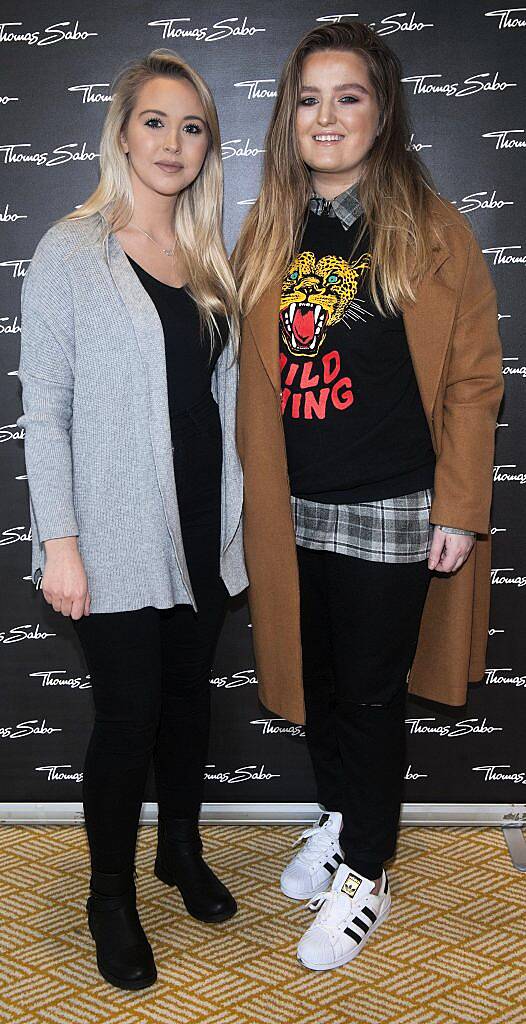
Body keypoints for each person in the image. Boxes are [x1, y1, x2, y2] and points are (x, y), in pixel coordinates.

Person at [234, 22, 503, 972]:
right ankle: (343, 816)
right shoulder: (269, 226)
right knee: (324, 687)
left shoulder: (433, 229)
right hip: (290, 503)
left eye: (348, 97)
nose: (327, 117)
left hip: (391, 502)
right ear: (288, 119)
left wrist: (461, 507)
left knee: (375, 697)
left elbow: (474, 380)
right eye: (309, 99)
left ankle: (368, 872)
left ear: (382, 113)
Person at [18, 49, 247, 991]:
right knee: (129, 718)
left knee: (190, 709)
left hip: (202, 528)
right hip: (109, 537)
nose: (174, 142)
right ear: (121, 131)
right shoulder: (71, 249)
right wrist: (60, 542)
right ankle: (108, 893)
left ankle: (178, 852)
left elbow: (223, 399)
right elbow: (47, 410)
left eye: (192, 127)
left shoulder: (210, 256)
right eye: (156, 121)